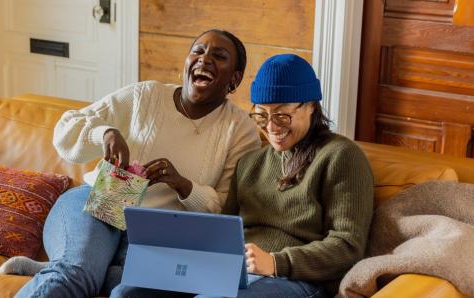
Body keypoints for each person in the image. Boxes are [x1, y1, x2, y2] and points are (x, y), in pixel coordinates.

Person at [0, 29, 262, 298]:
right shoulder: (145, 96)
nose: (204, 60)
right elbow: (65, 129)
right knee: (74, 275)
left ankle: (66, 266)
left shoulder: (240, 130)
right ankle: (71, 266)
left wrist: (184, 186)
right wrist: (104, 133)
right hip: (100, 200)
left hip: (160, 234)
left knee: (127, 287)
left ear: (235, 78)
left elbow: (228, 210)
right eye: (198, 51)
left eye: (219, 56)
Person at [110, 54, 374, 298]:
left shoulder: (341, 156)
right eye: (261, 115)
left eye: (282, 116)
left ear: (311, 107)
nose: (271, 128)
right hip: (232, 269)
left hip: (297, 279)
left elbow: (348, 246)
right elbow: (225, 229)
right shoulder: (250, 163)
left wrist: (276, 262)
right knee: (127, 292)